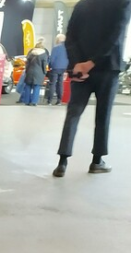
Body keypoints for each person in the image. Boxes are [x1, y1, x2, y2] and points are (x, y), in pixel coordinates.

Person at [53, 0, 131, 177]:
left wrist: (77, 63)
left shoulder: (82, 4)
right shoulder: (122, 3)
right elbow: (115, 35)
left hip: (80, 69)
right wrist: (93, 62)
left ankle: (62, 162)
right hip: (108, 68)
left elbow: (70, 36)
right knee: (103, 115)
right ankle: (97, 161)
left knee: (73, 114)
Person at [22, 39, 49, 106]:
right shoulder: (44, 54)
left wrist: (26, 71)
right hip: (39, 73)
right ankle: (34, 102)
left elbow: (27, 63)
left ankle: (26, 101)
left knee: (28, 86)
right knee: (37, 87)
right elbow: (44, 65)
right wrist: (45, 72)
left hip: (29, 71)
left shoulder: (31, 53)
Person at [48, 34, 69, 105]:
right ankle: (59, 100)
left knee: (52, 84)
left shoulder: (56, 48)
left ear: (57, 40)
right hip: (64, 68)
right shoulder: (67, 48)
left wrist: (50, 66)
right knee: (60, 84)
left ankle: (50, 101)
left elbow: (52, 59)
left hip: (55, 67)